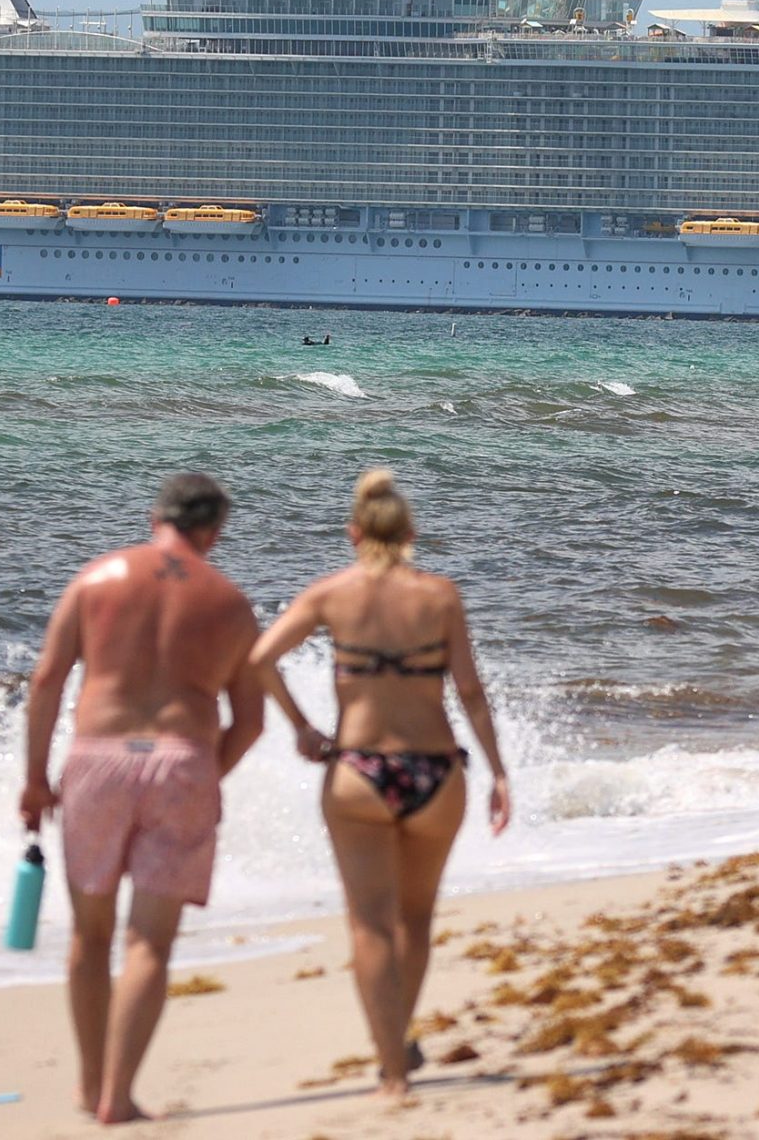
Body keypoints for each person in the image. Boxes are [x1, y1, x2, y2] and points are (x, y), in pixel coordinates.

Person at [250, 468, 513, 1104]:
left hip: (358, 774)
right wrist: (499, 771)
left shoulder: (329, 594)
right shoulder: (441, 596)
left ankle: (393, 1073)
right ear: (412, 533)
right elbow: (471, 694)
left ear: (353, 533)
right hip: (434, 771)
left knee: (369, 926)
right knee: (415, 918)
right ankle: (399, 1036)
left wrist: (303, 728)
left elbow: (257, 658)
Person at [20, 472, 265, 1126]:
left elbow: (46, 681)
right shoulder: (231, 603)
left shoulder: (96, 578)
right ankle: (119, 1097)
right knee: (149, 944)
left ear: (154, 515)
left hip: (97, 762)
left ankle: (86, 1082)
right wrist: (205, 774)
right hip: (182, 763)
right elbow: (250, 721)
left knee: (88, 936)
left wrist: (35, 778)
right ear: (215, 531)